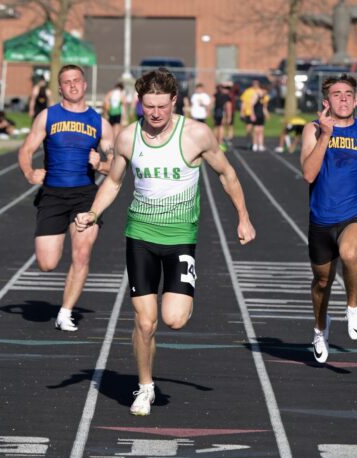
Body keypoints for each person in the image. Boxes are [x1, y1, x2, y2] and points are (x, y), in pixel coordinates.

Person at [75, 68, 255, 416]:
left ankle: (175, 300)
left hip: (180, 239)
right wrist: (94, 213)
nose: (155, 113)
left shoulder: (196, 135)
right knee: (145, 322)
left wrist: (243, 217)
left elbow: (227, 174)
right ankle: (145, 387)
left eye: (161, 106)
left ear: (174, 101)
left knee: (174, 319)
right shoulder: (129, 137)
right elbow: (114, 181)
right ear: (139, 103)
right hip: (140, 236)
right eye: (148, 106)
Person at [18, 64, 114, 332]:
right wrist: (29, 172)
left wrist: (101, 165)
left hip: (85, 195)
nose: (72, 85)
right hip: (52, 194)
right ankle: (63, 306)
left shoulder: (100, 123)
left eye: (76, 80)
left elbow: (116, 165)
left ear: (85, 85)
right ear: (60, 88)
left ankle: (65, 312)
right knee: (47, 263)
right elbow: (26, 149)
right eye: (67, 81)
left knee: (82, 254)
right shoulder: (47, 116)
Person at [300, 73, 357, 364]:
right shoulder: (313, 130)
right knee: (322, 282)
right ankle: (320, 329)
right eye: (336, 94)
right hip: (321, 220)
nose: (343, 99)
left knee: (350, 252)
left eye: (348, 94)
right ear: (326, 102)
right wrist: (326, 135)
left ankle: (353, 307)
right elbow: (309, 174)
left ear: (356, 101)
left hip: (355, 214)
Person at [240, 79, 260, 150]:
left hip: (257, 113)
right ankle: (249, 142)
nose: (255, 85)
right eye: (254, 84)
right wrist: (242, 112)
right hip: (248, 112)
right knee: (248, 129)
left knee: (257, 130)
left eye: (257, 84)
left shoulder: (260, 91)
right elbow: (243, 102)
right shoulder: (247, 91)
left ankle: (256, 144)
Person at [250, 84, 269, 152]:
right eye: (265, 91)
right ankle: (255, 145)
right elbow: (251, 106)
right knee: (256, 131)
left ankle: (260, 145)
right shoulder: (256, 96)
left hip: (261, 115)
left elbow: (264, 107)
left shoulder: (264, 97)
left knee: (261, 131)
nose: (266, 93)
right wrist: (252, 115)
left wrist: (266, 114)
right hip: (256, 114)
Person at [213, 84, 232, 151]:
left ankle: (215, 142)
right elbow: (228, 106)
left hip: (216, 112)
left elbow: (213, 103)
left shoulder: (216, 95)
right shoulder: (227, 96)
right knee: (221, 127)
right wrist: (229, 117)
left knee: (216, 127)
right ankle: (220, 143)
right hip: (222, 113)